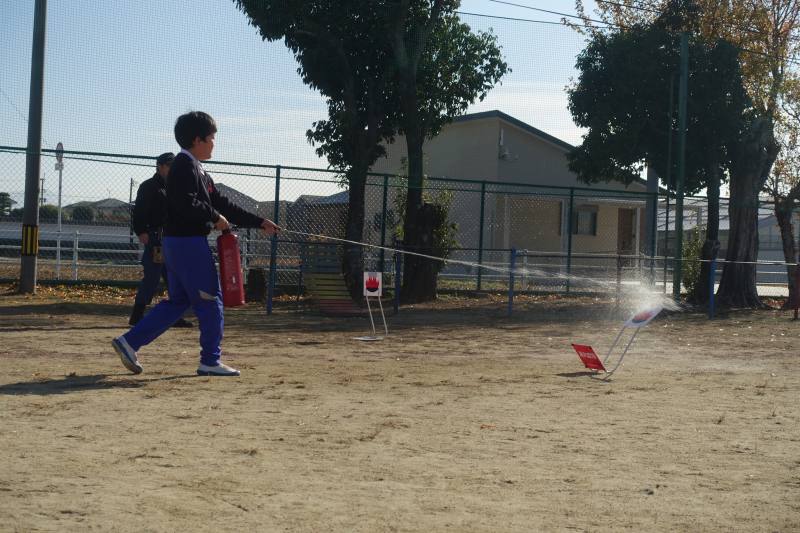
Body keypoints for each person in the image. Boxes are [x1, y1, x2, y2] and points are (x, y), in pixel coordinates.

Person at [112, 111, 279, 376]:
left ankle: (129, 342)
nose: (214, 143)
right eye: (211, 138)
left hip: (177, 245)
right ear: (197, 140)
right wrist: (214, 217)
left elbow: (222, 203)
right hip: (188, 244)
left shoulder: (196, 169)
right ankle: (210, 360)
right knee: (211, 299)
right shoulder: (183, 166)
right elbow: (186, 202)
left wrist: (259, 222)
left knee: (179, 302)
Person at [128, 152, 193, 328]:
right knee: (153, 277)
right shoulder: (149, 186)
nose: (173, 169)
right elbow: (139, 211)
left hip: (170, 239)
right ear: (161, 166)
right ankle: (137, 315)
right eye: (170, 165)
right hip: (156, 239)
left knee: (174, 278)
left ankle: (173, 315)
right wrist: (141, 231)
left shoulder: (172, 187)